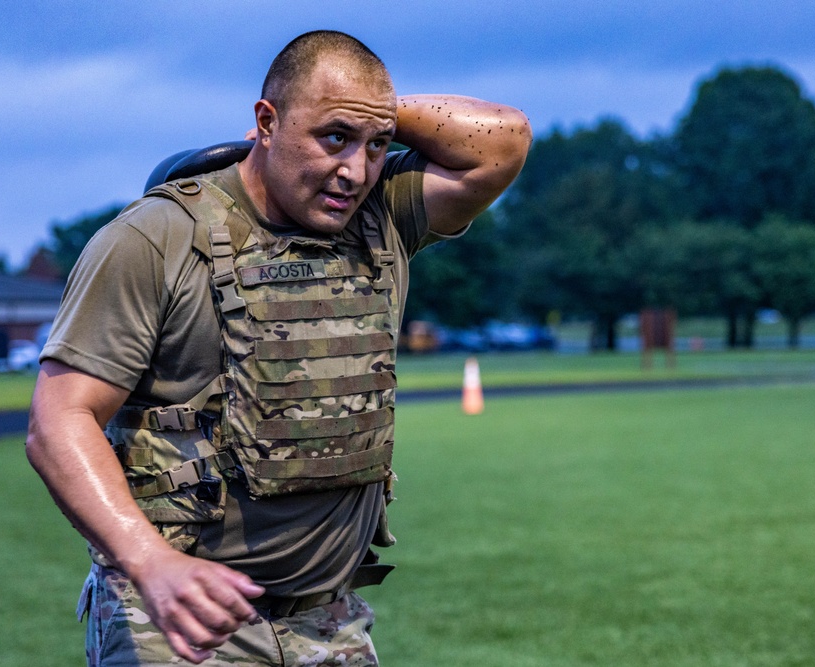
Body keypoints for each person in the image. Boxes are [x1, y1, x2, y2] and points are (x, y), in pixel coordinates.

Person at [26, 30, 531, 666]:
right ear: (265, 122)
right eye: (333, 138)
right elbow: (58, 422)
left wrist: (365, 108)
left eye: (377, 146)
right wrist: (148, 560)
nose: (355, 171)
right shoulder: (154, 238)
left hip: (328, 619)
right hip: (179, 620)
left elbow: (503, 141)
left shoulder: (382, 217)